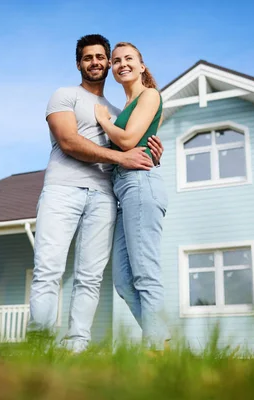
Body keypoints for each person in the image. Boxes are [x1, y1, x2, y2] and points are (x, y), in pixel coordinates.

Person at [27, 34, 164, 353]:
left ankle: (77, 347)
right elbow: (69, 142)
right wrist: (121, 156)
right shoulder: (64, 95)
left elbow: (132, 142)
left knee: (89, 277)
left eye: (102, 57)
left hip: (105, 197)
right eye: (89, 58)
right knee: (48, 268)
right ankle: (39, 345)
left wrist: (153, 151)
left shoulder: (118, 109)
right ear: (79, 64)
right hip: (63, 189)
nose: (97, 62)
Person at [94, 42, 170, 351]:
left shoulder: (149, 96)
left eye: (129, 59)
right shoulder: (126, 107)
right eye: (116, 61)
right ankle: (163, 343)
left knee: (145, 274)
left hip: (140, 186)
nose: (121, 64)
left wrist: (103, 121)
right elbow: (142, 144)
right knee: (124, 282)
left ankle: (156, 352)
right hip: (125, 192)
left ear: (141, 66)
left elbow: (127, 141)